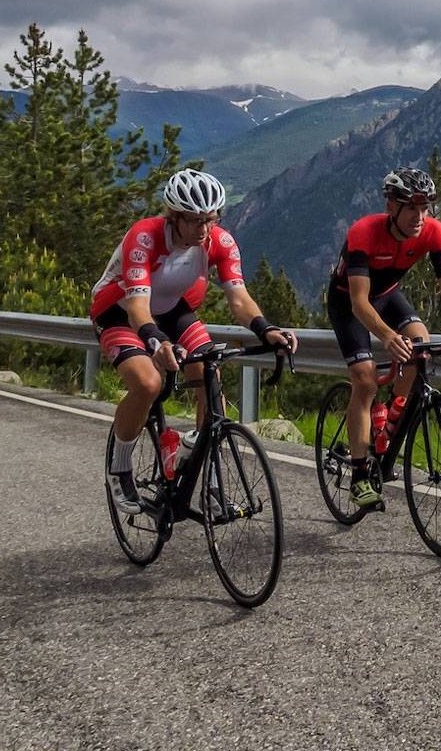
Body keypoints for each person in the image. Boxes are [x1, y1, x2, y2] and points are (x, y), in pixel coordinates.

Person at [91, 168, 298, 515]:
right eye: (195, 221)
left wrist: (265, 329)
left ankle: (210, 480)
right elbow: (138, 307)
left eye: (211, 220)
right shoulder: (145, 238)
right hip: (120, 311)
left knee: (210, 376)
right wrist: (156, 341)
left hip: (173, 309)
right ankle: (120, 465)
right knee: (148, 382)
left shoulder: (219, 240)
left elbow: (239, 298)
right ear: (174, 217)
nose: (204, 230)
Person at [327, 166, 441, 509]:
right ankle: (360, 476)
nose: (420, 217)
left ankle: (389, 421)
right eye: (411, 208)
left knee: (421, 344)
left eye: (425, 208)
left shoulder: (434, 232)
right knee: (364, 380)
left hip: (389, 294)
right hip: (349, 301)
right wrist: (389, 337)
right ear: (391, 206)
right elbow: (359, 303)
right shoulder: (364, 233)